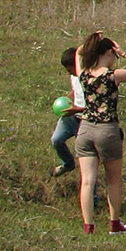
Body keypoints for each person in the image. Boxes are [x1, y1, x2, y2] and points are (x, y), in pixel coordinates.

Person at [73, 32, 126, 235]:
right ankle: (114, 223)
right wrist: (125, 54)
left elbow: (78, 53)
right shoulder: (112, 75)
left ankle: (88, 225)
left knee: (87, 181)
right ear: (109, 52)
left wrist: (90, 41)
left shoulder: (84, 74)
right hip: (107, 129)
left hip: (85, 128)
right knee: (113, 180)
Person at [50, 46, 83, 178]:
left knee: (83, 151)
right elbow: (75, 91)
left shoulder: (89, 78)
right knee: (56, 140)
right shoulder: (74, 76)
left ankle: (88, 181)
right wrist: (66, 99)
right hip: (71, 116)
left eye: (70, 69)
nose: (69, 73)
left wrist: (77, 109)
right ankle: (68, 163)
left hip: (85, 118)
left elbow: (95, 105)